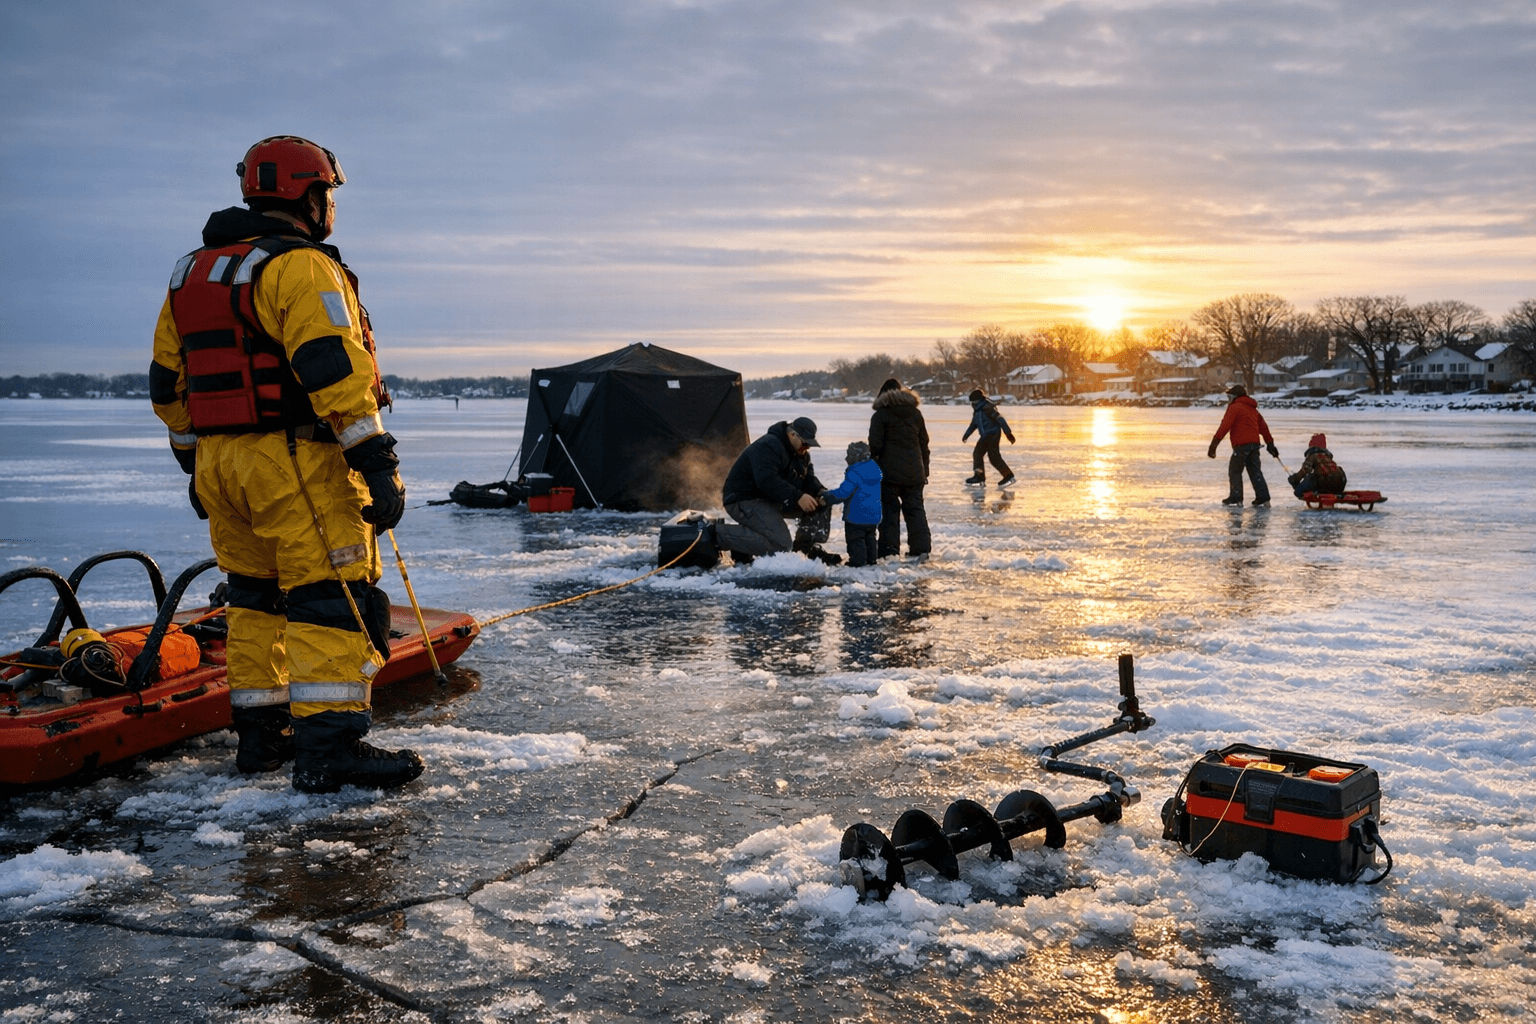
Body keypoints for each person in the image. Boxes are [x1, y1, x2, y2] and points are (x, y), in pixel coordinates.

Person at [149, 136, 422, 794]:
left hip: (221, 464)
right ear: (307, 195)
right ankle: (329, 748)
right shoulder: (299, 267)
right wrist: (377, 463)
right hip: (294, 459)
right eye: (326, 192)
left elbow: (168, 385)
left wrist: (194, 465)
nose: (330, 205)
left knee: (255, 600)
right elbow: (332, 366)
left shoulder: (193, 272)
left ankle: (261, 739)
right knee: (331, 597)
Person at [716, 416, 834, 564]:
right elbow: (766, 481)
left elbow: (808, 479)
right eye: (804, 443)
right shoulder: (767, 446)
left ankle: (803, 551)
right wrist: (798, 496)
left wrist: (821, 492)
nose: (806, 448)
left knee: (818, 506)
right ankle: (719, 534)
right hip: (744, 500)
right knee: (781, 545)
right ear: (792, 435)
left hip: (771, 498)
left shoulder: (800, 454)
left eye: (809, 445)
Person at [868, 378, 931, 560]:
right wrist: (924, 469)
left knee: (889, 512)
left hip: (888, 474)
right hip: (915, 472)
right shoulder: (915, 414)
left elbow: (875, 447)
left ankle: (889, 551)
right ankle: (921, 549)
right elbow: (924, 444)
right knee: (915, 509)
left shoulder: (880, 415)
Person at [1207, 384, 1279, 506]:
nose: (1228, 400)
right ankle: (1263, 498)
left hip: (1241, 446)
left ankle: (1236, 497)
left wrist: (1214, 444)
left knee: (1234, 471)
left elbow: (1224, 426)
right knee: (1255, 472)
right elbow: (1264, 428)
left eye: (1230, 397)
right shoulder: (1253, 409)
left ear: (1235, 397)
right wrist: (1270, 444)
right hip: (1254, 446)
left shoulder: (1234, 407)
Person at [823, 441, 884, 567]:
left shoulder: (855, 472)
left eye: (849, 455)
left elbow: (843, 493)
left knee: (855, 540)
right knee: (870, 538)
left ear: (856, 456)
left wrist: (828, 496)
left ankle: (858, 561)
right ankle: (871, 560)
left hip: (856, 515)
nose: (846, 458)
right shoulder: (874, 469)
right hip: (873, 515)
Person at [962, 389, 1016, 486]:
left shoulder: (987, 407)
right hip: (986, 435)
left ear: (978, 400)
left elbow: (1001, 420)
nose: (972, 404)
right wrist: (966, 435)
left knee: (981, 454)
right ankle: (1006, 475)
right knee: (988, 456)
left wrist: (1008, 434)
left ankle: (980, 476)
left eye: (974, 401)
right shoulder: (977, 410)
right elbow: (973, 424)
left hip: (992, 434)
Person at [1288, 433, 1348, 497]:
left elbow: (1305, 470)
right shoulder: (1327, 456)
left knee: (1311, 478)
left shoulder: (1313, 456)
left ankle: (1299, 491)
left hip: (1324, 483)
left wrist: (1295, 479)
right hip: (1339, 484)